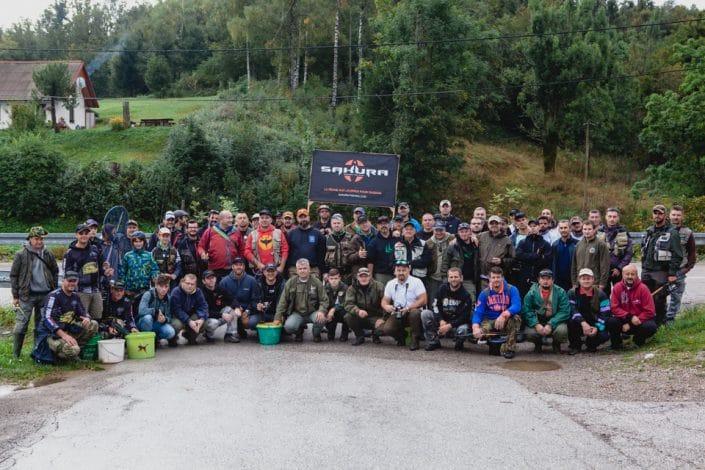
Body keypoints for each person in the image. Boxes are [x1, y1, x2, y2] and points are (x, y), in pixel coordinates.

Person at [10, 226, 59, 357]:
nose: (39, 241)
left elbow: (55, 271)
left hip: (45, 295)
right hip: (26, 295)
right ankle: (16, 355)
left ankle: (37, 352)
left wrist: (53, 289)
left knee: (41, 325)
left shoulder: (48, 253)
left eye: (41, 239)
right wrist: (15, 295)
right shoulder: (21, 254)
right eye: (37, 239)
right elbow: (14, 275)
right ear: (30, 239)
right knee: (21, 326)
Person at [31, 271, 99, 363]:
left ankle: (77, 351)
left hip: (68, 330)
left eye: (74, 281)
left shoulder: (75, 296)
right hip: (51, 334)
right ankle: (64, 354)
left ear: (77, 282)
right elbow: (47, 318)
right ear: (63, 281)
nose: (72, 283)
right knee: (72, 350)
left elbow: (83, 312)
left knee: (93, 324)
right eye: (69, 281)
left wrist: (87, 318)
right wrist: (64, 336)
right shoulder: (54, 296)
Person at [641, 204, 683, 326]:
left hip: (661, 271)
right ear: (652, 215)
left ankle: (660, 326)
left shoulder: (672, 232)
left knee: (659, 300)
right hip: (647, 270)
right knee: (646, 299)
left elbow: (677, 255)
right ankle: (648, 324)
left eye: (660, 213)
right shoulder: (649, 230)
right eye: (655, 213)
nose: (657, 215)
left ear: (665, 215)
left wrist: (672, 273)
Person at [471, 267, 522, 359]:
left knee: (516, 318)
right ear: (489, 279)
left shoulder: (512, 289)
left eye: (498, 277)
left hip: (506, 319)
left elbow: (517, 305)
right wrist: (475, 327)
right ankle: (485, 339)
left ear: (502, 278)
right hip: (490, 320)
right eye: (493, 277)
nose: (496, 280)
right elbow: (478, 312)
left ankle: (509, 348)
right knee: (480, 332)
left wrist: (504, 314)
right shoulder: (484, 293)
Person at [274, 259, 329, 342]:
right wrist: (277, 317)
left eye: (304, 268)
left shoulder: (317, 282)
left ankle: (316, 334)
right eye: (300, 269)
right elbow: (283, 301)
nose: (302, 270)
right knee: (289, 327)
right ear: (297, 270)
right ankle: (298, 332)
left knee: (321, 319)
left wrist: (321, 311)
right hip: (297, 313)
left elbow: (324, 300)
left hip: (312, 312)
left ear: (309, 269)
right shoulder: (291, 282)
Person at [64, 223, 109, 319]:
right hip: (80, 291)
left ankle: (95, 334)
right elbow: (67, 274)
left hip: (96, 289)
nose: (84, 235)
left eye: (86, 233)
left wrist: (106, 271)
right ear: (76, 235)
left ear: (89, 235)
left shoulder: (95, 249)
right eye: (81, 233)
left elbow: (102, 268)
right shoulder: (70, 253)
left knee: (97, 316)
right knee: (82, 318)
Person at [421, 267, 473, 351]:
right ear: (448, 278)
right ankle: (433, 342)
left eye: (456, 277)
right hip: (442, 321)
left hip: (456, 324)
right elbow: (435, 306)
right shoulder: (442, 289)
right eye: (451, 277)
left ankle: (459, 343)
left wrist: (449, 325)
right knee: (425, 313)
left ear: (461, 278)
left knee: (463, 330)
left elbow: (465, 316)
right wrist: (441, 320)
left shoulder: (466, 295)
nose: (453, 279)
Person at [380, 260, 427, 351]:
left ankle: (415, 339)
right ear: (394, 271)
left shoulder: (416, 281)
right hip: (398, 312)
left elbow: (424, 300)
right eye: (398, 270)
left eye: (403, 270)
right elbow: (384, 301)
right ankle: (401, 336)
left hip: (412, 311)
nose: (401, 273)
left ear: (409, 270)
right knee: (387, 329)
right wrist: (386, 306)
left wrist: (409, 308)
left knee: (415, 313)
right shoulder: (391, 283)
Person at [607, 265, 657, 349]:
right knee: (611, 321)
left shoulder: (643, 288)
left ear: (636, 275)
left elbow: (650, 311)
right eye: (627, 274)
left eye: (632, 274)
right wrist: (629, 318)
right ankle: (616, 344)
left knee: (650, 327)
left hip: (639, 321)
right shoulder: (617, 287)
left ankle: (637, 342)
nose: (630, 276)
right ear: (622, 275)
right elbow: (614, 308)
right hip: (624, 320)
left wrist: (632, 322)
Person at [521, 269, 570, 353]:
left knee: (562, 331)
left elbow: (564, 311)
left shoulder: (561, 292)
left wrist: (551, 324)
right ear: (539, 280)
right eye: (543, 279)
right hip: (538, 320)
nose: (545, 281)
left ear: (553, 280)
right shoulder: (531, 293)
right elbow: (526, 311)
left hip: (555, 320)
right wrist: (536, 324)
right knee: (530, 333)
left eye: (548, 279)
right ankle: (538, 343)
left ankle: (556, 344)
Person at [567, 268, 612, 355]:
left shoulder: (601, 294)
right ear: (579, 280)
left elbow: (606, 313)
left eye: (588, 278)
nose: (586, 281)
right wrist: (583, 323)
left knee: (604, 336)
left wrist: (597, 327)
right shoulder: (572, 293)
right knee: (570, 321)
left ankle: (591, 344)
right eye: (583, 278)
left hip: (595, 321)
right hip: (579, 321)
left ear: (593, 280)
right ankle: (575, 345)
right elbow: (572, 310)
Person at [218, 257, 261, 338]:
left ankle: (248, 329)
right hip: (232, 310)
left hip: (247, 310)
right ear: (232, 267)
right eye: (236, 265)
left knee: (252, 321)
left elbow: (256, 299)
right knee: (232, 313)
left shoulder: (252, 280)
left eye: (240, 265)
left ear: (244, 267)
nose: (238, 267)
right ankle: (231, 334)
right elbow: (221, 300)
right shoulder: (224, 282)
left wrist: (248, 311)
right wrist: (234, 308)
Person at [667, 205, 696, 322]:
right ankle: (660, 319)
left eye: (678, 215)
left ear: (682, 216)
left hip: (679, 270)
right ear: (669, 215)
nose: (675, 217)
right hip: (664, 269)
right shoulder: (664, 230)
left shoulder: (687, 233)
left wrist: (685, 269)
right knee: (660, 296)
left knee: (676, 297)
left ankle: (670, 320)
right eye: (673, 214)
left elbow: (692, 254)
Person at [197, 210, 244, 280]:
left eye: (231, 218)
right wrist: (202, 253)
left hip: (233, 269)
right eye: (228, 218)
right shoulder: (210, 231)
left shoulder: (236, 232)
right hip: (215, 269)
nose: (231, 220)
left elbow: (241, 249)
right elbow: (200, 246)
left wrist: (239, 263)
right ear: (221, 219)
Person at [344, 268, 386, 346]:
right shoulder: (352, 288)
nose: (363, 278)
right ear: (357, 277)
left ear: (370, 276)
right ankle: (359, 336)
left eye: (366, 276)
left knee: (384, 329)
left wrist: (383, 318)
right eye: (361, 276)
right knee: (348, 316)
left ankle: (376, 334)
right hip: (360, 316)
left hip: (376, 316)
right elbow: (348, 304)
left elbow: (386, 303)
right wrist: (358, 311)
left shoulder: (379, 286)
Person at [597, 208, 633, 296]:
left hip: (619, 270)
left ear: (618, 218)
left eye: (614, 217)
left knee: (621, 294)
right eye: (609, 216)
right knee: (603, 294)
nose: (612, 219)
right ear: (605, 217)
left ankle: (619, 309)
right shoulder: (599, 232)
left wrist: (619, 268)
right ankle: (605, 310)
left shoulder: (624, 232)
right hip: (603, 270)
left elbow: (629, 252)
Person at [120, 231, 159, 309]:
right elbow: (122, 272)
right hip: (130, 291)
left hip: (144, 290)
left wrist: (155, 277)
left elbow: (154, 269)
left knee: (142, 310)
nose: (138, 244)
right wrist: (123, 288)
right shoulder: (128, 255)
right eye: (136, 241)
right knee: (131, 311)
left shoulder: (149, 255)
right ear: (132, 242)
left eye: (140, 241)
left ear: (144, 242)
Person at [138, 274, 180, 347]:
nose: (164, 289)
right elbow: (141, 311)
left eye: (166, 286)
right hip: (144, 323)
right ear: (156, 285)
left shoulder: (168, 298)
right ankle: (148, 340)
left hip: (157, 324)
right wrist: (155, 312)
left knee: (171, 332)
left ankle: (156, 338)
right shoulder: (148, 294)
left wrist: (165, 319)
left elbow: (169, 316)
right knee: (148, 318)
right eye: (161, 286)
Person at [244, 209, 289, 275]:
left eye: (267, 218)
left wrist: (281, 267)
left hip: (275, 269)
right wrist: (258, 264)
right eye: (262, 218)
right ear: (259, 220)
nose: (264, 220)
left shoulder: (279, 233)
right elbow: (247, 251)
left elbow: (285, 250)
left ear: (271, 220)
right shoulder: (252, 234)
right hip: (259, 270)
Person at [515, 219, 553, 297]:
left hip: (540, 278)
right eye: (530, 226)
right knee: (525, 299)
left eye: (535, 226)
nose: (532, 228)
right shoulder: (523, 242)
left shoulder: (545, 244)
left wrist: (529, 258)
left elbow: (546, 260)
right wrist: (535, 255)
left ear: (539, 227)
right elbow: (518, 256)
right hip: (524, 277)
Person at [442, 222, 479, 299]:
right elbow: (445, 264)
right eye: (461, 232)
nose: (464, 234)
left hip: (469, 280)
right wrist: (446, 281)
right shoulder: (452, 246)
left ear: (470, 232)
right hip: (454, 280)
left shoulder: (475, 245)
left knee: (471, 301)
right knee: (454, 303)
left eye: (466, 231)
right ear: (458, 233)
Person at [285, 209, 327, 279]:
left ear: (309, 217)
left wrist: (323, 271)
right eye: (301, 217)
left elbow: (322, 254)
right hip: (295, 270)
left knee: (313, 290)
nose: (303, 219)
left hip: (313, 269)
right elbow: (287, 253)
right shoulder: (291, 234)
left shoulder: (317, 234)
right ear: (297, 219)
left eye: (305, 217)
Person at [571, 221, 610, 291]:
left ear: (594, 230)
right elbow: (574, 265)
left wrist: (602, 283)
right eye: (585, 229)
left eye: (589, 229)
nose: (587, 231)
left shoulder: (601, 244)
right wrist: (574, 282)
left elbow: (605, 266)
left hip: (595, 283)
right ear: (582, 230)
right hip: (580, 282)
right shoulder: (578, 245)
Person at [170, 274, 209, 345]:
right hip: (177, 317)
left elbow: (204, 306)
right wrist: (189, 321)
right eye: (188, 283)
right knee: (176, 325)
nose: (190, 286)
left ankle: (189, 336)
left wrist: (202, 319)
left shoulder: (198, 291)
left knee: (204, 323)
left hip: (191, 316)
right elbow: (176, 310)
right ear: (182, 282)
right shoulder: (176, 292)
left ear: (195, 285)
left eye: (192, 284)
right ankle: (172, 338)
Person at [203, 270, 239, 343]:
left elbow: (232, 299)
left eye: (212, 278)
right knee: (214, 323)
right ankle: (208, 334)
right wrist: (221, 315)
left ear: (215, 279)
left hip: (219, 314)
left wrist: (237, 308)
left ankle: (230, 334)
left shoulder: (220, 288)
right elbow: (204, 312)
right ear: (204, 281)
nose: (211, 280)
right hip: (207, 318)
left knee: (232, 310)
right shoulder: (201, 292)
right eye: (208, 278)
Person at [477, 215, 515, 285]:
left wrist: (502, 261)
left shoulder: (507, 240)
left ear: (500, 224)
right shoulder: (481, 236)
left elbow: (513, 259)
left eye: (496, 223)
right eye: (491, 223)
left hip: (496, 279)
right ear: (488, 225)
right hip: (480, 277)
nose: (494, 225)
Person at [425, 221, 455, 302]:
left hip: (448, 277)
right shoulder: (428, 242)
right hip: (433, 277)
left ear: (445, 230)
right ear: (433, 230)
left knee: (448, 301)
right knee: (433, 301)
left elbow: (464, 236)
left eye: (441, 230)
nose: (439, 232)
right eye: (436, 230)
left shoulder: (452, 239)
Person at [367, 216, 397, 285]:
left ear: (389, 225)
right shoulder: (373, 242)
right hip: (381, 275)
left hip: (396, 273)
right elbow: (370, 261)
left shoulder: (397, 238)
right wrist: (370, 276)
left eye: (385, 223)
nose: (383, 226)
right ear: (377, 226)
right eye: (381, 224)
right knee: (382, 295)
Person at [324, 214, 355, 279]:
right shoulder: (326, 238)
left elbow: (354, 256)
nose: (336, 225)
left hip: (348, 273)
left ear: (343, 224)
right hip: (331, 274)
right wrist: (325, 272)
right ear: (331, 224)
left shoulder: (351, 237)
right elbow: (322, 256)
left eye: (338, 223)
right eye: (334, 223)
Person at [323, 268, 349, 341]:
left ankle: (344, 334)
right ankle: (330, 332)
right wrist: (326, 312)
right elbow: (323, 302)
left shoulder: (345, 288)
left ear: (339, 278)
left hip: (341, 310)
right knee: (330, 338)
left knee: (348, 314)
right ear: (328, 278)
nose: (334, 281)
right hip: (330, 312)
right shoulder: (325, 288)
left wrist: (334, 309)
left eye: (336, 278)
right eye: (331, 278)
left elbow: (345, 303)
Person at [552, 220, 577, 291]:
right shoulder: (555, 245)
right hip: (559, 281)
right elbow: (553, 264)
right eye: (561, 228)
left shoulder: (577, 244)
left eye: (565, 227)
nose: (563, 230)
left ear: (570, 228)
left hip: (573, 281)